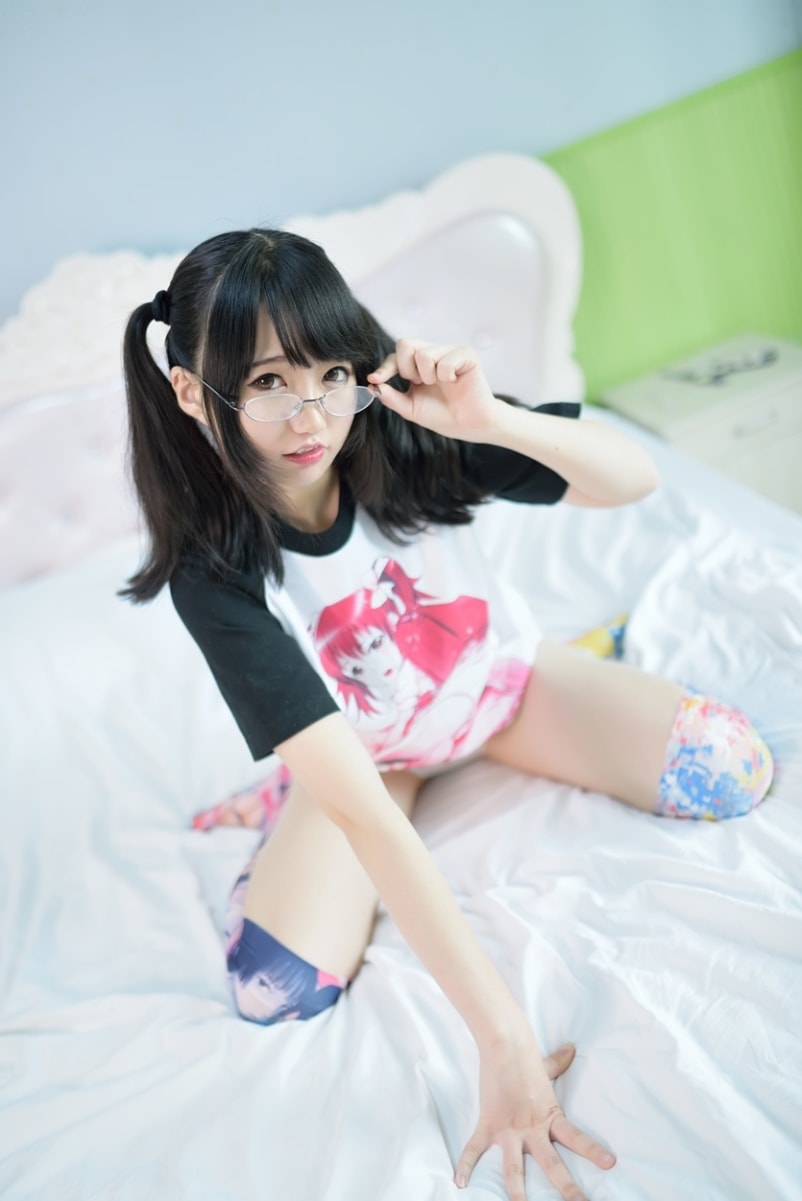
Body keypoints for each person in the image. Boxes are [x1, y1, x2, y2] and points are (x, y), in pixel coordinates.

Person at [122, 228, 773, 1201]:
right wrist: (502, 1038)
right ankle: (286, 793)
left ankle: (569, 668)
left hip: (497, 696)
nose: (312, 414)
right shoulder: (215, 571)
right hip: (369, 763)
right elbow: (365, 816)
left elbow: (632, 480)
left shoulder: (401, 431)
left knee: (729, 767)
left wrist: (491, 418)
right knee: (276, 990)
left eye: (330, 372)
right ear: (191, 391)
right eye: (266, 384)